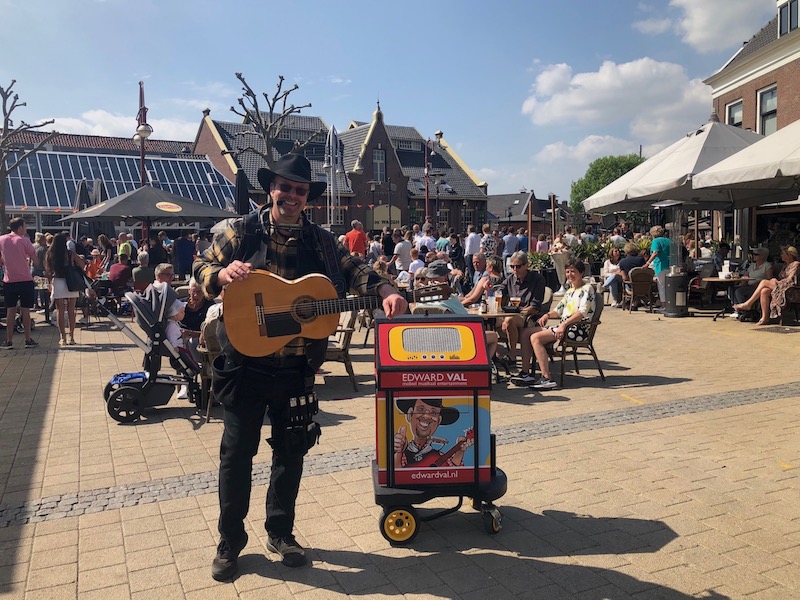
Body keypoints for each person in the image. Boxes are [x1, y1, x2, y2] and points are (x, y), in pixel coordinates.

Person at [193, 153, 406, 581]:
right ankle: (230, 541)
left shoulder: (322, 241)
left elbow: (356, 269)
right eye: (285, 187)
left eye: (300, 190)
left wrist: (386, 288)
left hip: (295, 368)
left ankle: (280, 532)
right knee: (236, 456)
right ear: (271, 189)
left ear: (307, 196)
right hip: (244, 364)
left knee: (291, 454)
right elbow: (199, 266)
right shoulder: (240, 229)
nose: (291, 196)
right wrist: (220, 275)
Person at [527, 259, 596, 390]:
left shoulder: (587, 289)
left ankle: (547, 378)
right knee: (527, 332)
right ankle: (526, 374)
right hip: (565, 326)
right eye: (567, 271)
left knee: (536, 338)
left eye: (573, 271)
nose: (570, 274)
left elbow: (582, 312)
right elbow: (558, 310)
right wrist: (547, 315)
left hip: (577, 329)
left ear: (581, 273)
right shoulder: (570, 291)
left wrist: (563, 325)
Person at [495, 251, 546, 373]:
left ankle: (512, 356)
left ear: (526, 265)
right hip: (512, 313)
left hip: (529, 316)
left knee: (510, 319)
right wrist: (492, 290)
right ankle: (494, 356)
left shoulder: (537, 279)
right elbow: (500, 289)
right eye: (512, 267)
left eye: (518, 266)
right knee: (488, 322)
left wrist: (517, 312)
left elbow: (535, 307)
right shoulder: (511, 279)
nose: (515, 269)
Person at [733, 246, 800, 325]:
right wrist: (776, 281)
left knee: (764, 282)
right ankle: (765, 318)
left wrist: (777, 282)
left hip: (791, 290)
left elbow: (791, 280)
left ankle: (748, 304)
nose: (781, 255)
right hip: (782, 287)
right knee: (764, 291)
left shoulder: (796, 264)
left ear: (789, 255)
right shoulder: (785, 265)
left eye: (782, 254)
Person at [393, 398, 467, 468]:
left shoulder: (439, 457)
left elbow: (454, 474)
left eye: (433, 412)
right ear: (410, 414)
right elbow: (397, 475)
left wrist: (460, 452)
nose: (426, 416)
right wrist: (398, 453)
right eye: (421, 409)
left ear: (439, 420)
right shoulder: (402, 454)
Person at [0, 218, 38, 349]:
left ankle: (8, 340)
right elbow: (35, 260)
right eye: (25, 226)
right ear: (20, 227)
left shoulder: (2, 239)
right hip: (25, 279)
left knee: (10, 310)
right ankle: (28, 339)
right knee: (25, 310)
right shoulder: (24, 240)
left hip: (9, 280)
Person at [45, 232, 83, 347]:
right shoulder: (70, 253)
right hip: (71, 281)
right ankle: (71, 336)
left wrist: (49, 284)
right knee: (71, 309)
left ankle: (63, 337)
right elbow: (82, 264)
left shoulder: (51, 253)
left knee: (60, 310)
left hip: (58, 281)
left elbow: (48, 271)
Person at [731, 247, 773, 314]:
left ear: (762, 256)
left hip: (757, 287)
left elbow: (769, 279)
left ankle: (743, 309)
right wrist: (743, 281)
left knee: (739, 291)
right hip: (748, 285)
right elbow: (746, 275)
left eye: (756, 254)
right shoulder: (752, 265)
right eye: (753, 254)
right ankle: (736, 308)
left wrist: (758, 283)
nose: (753, 256)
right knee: (732, 289)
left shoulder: (767, 265)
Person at [643, 225, 670, 306]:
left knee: (661, 285)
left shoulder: (656, 241)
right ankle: (669, 302)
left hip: (660, 265)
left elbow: (655, 252)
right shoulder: (668, 240)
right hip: (670, 264)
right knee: (669, 285)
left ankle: (664, 304)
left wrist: (647, 263)